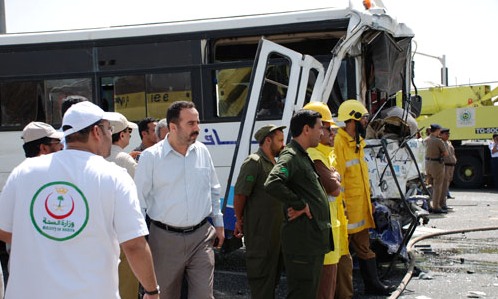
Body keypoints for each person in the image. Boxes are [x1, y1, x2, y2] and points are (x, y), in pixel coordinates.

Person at [0, 101, 159, 299]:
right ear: (96, 131)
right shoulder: (114, 176)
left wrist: (49, 236)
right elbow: (134, 245)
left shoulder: (24, 170)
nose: (111, 135)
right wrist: (152, 291)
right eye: (109, 129)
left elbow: (4, 230)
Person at [135, 100, 224, 298]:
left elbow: (213, 189)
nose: (197, 128)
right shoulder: (150, 157)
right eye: (191, 124)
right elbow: (138, 202)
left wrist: (218, 223)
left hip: (201, 237)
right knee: (164, 294)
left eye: (197, 122)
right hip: (164, 240)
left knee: (203, 295)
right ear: (173, 127)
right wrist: (140, 240)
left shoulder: (202, 151)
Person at [264, 109, 333, 299]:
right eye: (320, 128)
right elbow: (272, 182)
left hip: (311, 240)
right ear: (306, 129)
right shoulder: (292, 156)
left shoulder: (302, 155)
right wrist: (299, 203)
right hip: (303, 242)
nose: (322, 132)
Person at [334, 99, 394, 296]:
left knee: (365, 249)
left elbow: (361, 178)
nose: (366, 122)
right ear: (353, 119)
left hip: (360, 209)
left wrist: (371, 202)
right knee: (342, 255)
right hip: (347, 213)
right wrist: (341, 208)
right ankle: (345, 293)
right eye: (364, 118)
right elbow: (338, 179)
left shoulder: (357, 143)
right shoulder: (339, 143)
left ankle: (373, 285)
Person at [233, 124, 286, 299]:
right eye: (280, 140)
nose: (283, 145)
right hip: (260, 234)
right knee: (262, 279)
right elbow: (240, 194)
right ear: (268, 140)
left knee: (272, 279)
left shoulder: (274, 162)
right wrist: (239, 219)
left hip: (275, 234)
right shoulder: (254, 162)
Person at [303, 102, 343, 299]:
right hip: (322, 237)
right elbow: (334, 189)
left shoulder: (327, 155)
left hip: (330, 234)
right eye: (328, 128)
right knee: (323, 291)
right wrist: (335, 177)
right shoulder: (314, 155)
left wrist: (335, 176)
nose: (332, 133)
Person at [105, 112, 140, 299]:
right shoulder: (124, 159)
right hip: (123, 231)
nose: (130, 135)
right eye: (129, 131)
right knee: (126, 283)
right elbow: (141, 190)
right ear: (121, 134)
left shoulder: (93, 156)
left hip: (100, 228)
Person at [425, 123, 449, 213]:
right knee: (437, 186)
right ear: (437, 130)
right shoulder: (438, 141)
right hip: (436, 164)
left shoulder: (425, 140)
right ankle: (436, 206)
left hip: (427, 163)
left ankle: (428, 205)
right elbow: (446, 153)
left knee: (428, 186)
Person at [440, 128, 456, 209]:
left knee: (447, 185)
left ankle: (443, 203)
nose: (448, 135)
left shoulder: (448, 142)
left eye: (448, 134)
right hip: (445, 165)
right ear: (441, 134)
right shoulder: (441, 142)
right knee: (444, 186)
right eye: (446, 134)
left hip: (451, 165)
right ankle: (442, 204)